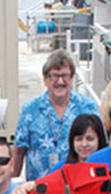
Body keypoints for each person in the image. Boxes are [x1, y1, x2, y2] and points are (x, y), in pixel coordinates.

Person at [12, 49, 100, 182]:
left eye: (65, 75)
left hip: (77, 187)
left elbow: (101, 147)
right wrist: (11, 188)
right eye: (54, 76)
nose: (60, 81)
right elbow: (19, 151)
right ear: (45, 78)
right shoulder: (30, 110)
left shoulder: (88, 107)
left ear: (71, 78)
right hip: (39, 190)